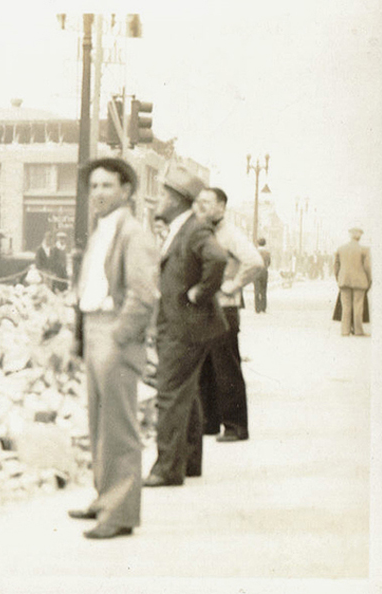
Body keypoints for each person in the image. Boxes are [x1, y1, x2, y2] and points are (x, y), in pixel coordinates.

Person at [68, 158, 158, 539]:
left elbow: (143, 294)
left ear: (126, 191)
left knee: (119, 427)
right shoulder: (100, 230)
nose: (99, 193)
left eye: (107, 186)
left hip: (114, 333)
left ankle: (120, 513)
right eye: (94, 187)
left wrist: (120, 337)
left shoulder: (133, 233)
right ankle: (105, 498)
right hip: (93, 330)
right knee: (98, 424)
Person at [144, 165, 228, 487]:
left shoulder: (194, 229)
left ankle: (167, 468)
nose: (160, 199)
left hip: (184, 326)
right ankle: (189, 461)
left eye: (165, 194)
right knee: (187, 394)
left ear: (178, 199)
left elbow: (217, 260)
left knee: (169, 394)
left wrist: (200, 293)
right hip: (185, 325)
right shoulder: (183, 227)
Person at [193, 188, 264, 442]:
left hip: (225, 308)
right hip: (207, 308)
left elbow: (255, 262)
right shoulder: (206, 232)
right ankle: (209, 423)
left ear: (222, 206)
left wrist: (232, 285)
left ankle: (235, 426)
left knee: (227, 368)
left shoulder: (230, 233)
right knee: (207, 367)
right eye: (199, 202)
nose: (201, 207)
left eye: (208, 203)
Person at [333, 226, 372, 336]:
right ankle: (358, 331)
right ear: (359, 236)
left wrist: (338, 278)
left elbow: (335, 266)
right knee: (358, 306)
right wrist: (369, 280)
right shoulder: (364, 250)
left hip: (344, 281)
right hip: (360, 281)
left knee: (346, 306)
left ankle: (345, 331)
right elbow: (367, 267)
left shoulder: (341, 248)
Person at [254, 237, 271, 313]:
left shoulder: (255, 251)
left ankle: (257, 308)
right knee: (263, 290)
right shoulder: (267, 252)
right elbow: (269, 262)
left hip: (256, 272)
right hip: (264, 272)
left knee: (256, 291)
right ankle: (263, 308)